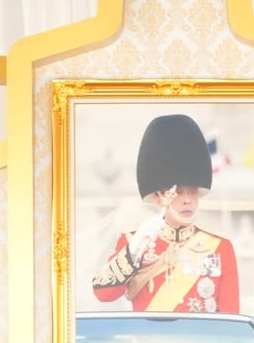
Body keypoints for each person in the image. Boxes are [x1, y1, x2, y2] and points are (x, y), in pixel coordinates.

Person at [89, 112, 239, 315]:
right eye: (178, 192)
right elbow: (102, 293)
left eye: (192, 192)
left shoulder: (220, 248)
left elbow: (231, 320)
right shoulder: (134, 243)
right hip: (149, 337)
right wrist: (133, 251)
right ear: (158, 197)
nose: (187, 200)